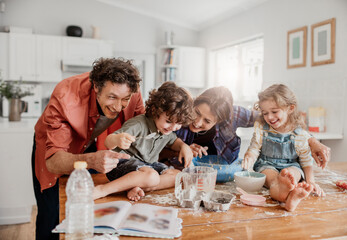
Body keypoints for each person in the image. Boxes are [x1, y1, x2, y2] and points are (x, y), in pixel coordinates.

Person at [31, 57, 145, 240]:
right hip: (54, 148)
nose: (118, 107)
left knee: (92, 209)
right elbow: (53, 162)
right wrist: (91, 160)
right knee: (52, 213)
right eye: (112, 97)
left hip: (94, 144)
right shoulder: (66, 95)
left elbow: (141, 132)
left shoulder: (134, 92)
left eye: (125, 99)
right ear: (96, 88)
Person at [161, 86, 330, 168]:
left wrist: (312, 141)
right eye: (196, 113)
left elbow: (278, 120)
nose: (197, 123)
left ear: (221, 119)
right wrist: (181, 150)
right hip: (183, 172)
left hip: (223, 173)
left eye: (207, 121)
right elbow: (154, 151)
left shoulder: (233, 115)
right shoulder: (180, 114)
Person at [93, 81, 194, 201]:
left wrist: (184, 147)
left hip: (147, 167)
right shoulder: (139, 124)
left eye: (178, 123)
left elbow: (174, 141)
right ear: (156, 111)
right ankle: (104, 189)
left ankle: (134, 186)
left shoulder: (166, 130)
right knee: (152, 177)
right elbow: (108, 141)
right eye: (168, 121)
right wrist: (117, 139)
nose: (173, 127)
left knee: (178, 176)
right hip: (122, 165)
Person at [241, 84, 325, 211]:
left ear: (290, 108)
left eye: (274, 112)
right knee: (273, 180)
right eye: (265, 113)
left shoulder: (299, 133)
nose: (269, 117)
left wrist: (311, 181)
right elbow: (255, 147)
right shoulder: (261, 127)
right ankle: (286, 192)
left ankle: (291, 191)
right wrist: (249, 155)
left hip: (292, 165)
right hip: (267, 164)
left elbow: (305, 160)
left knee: (292, 174)